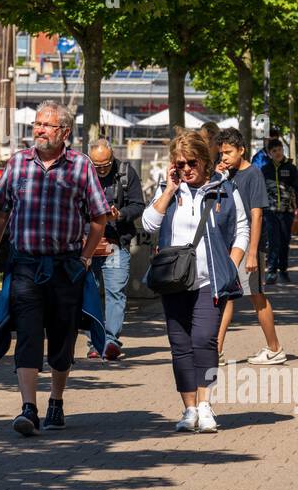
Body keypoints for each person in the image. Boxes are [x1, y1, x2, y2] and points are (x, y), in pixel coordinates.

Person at [0, 100, 109, 436]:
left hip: (66, 267)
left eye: (46, 125)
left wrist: (85, 257)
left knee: (63, 340)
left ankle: (56, 399)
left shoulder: (80, 166)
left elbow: (99, 217)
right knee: (28, 335)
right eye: (36, 124)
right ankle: (28, 408)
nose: (38, 130)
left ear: (63, 131)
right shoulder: (18, 164)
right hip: (25, 265)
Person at [141, 131, 247, 431]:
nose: (187, 168)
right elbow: (149, 224)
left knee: (205, 341)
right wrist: (169, 189)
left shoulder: (224, 189)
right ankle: (188, 409)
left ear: (205, 160)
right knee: (180, 345)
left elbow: (242, 228)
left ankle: (205, 404)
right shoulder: (170, 189)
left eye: (192, 162)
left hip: (207, 279)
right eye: (180, 163)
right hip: (174, 280)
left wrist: (232, 262)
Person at [215, 129, 284, 366]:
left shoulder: (252, 174)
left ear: (241, 150)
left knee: (256, 296)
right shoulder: (225, 174)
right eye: (221, 153)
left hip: (249, 245)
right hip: (227, 244)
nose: (223, 157)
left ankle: (275, 348)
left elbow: (257, 215)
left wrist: (253, 251)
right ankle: (217, 350)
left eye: (228, 152)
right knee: (225, 296)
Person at [86, 139, 145, 361]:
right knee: (89, 293)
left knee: (115, 293)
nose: (101, 169)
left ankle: (110, 342)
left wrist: (119, 214)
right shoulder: (83, 175)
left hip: (115, 243)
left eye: (105, 164)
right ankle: (94, 342)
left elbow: (139, 205)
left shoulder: (125, 173)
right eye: (97, 165)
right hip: (87, 243)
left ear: (112, 157)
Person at [262, 138, 298, 284]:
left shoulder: (290, 168)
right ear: (269, 153)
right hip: (270, 211)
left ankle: (283, 270)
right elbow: (261, 190)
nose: (278, 153)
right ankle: (271, 271)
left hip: (287, 211)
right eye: (274, 151)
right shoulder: (265, 170)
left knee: (285, 241)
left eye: (280, 149)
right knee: (273, 241)